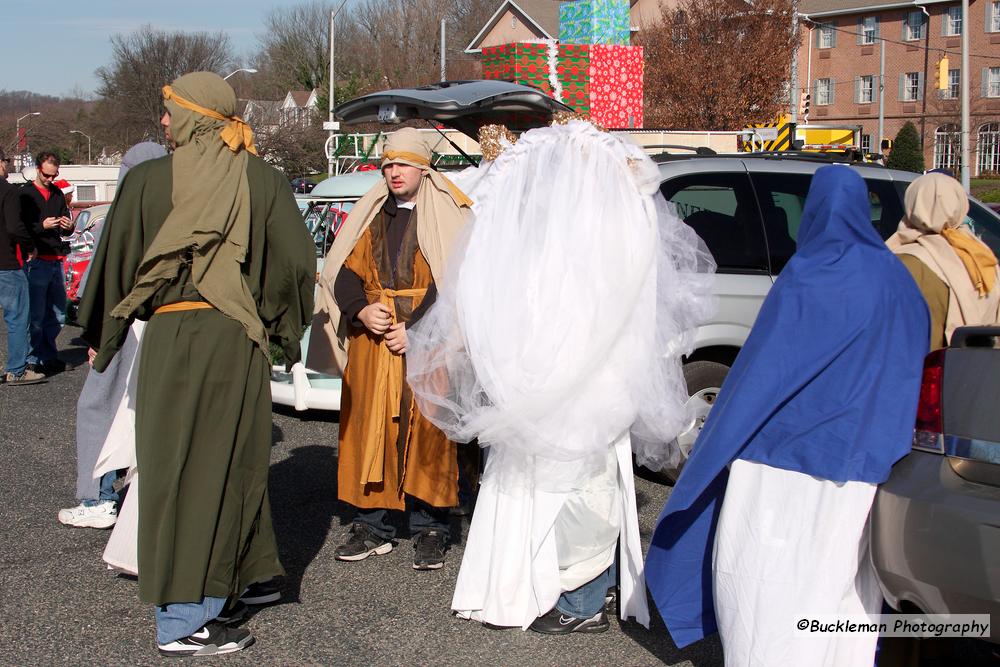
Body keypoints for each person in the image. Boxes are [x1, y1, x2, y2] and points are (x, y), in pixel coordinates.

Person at [404, 119, 716, 633]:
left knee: (582, 487)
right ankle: (572, 585)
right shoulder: (559, 241)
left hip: (590, 388)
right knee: (563, 484)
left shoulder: (604, 240)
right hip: (558, 384)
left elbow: (605, 315)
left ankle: (585, 600)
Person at [644, 166, 930, 667]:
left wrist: (717, 443)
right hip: (867, 465)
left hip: (786, 464)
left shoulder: (812, 274)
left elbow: (761, 374)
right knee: (843, 587)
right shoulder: (898, 281)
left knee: (766, 585)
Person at [78, 72, 315, 657]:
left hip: (166, 338)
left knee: (175, 473)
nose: (164, 122)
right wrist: (284, 338)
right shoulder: (263, 181)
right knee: (226, 469)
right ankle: (196, 607)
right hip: (235, 341)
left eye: (171, 110)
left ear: (196, 115)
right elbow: (293, 268)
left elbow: (114, 261)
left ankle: (191, 611)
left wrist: (103, 335)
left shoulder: (147, 182)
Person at [312, 127, 470, 570]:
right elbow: (344, 270)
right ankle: (373, 522)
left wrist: (416, 329)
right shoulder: (372, 214)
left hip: (429, 340)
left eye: (402, 164)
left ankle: (431, 526)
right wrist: (360, 310)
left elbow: (452, 280)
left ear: (422, 167)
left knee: (430, 432)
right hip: (375, 344)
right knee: (369, 427)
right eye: (387, 165)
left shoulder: (449, 214)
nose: (393, 172)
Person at [57, 142, 166, 530]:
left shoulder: (121, 216)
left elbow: (102, 282)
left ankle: (98, 497)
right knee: (151, 416)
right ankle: (145, 495)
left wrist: (95, 336)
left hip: (121, 326)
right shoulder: (181, 212)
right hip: (169, 327)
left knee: (98, 407)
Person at [887, 172, 1000, 351]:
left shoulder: (899, 263)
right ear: (961, 204)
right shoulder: (983, 257)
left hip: (923, 371)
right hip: (979, 369)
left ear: (912, 203)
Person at [19, 151, 74, 375]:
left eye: (54, 175)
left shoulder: (57, 194)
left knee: (59, 313)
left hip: (55, 257)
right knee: (36, 314)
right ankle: (33, 358)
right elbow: (20, 227)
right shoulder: (26, 194)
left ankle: (48, 354)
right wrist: (42, 225)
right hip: (36, 259)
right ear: (37, 169)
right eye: (47, 175)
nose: (51, 179)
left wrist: (67, 226)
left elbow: (64, 225)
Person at [0, 149, 45, 386]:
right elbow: (15, 227)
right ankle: (16, 370)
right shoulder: (8, 191)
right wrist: (29, 247)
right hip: (6, 263)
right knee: (17, 317)